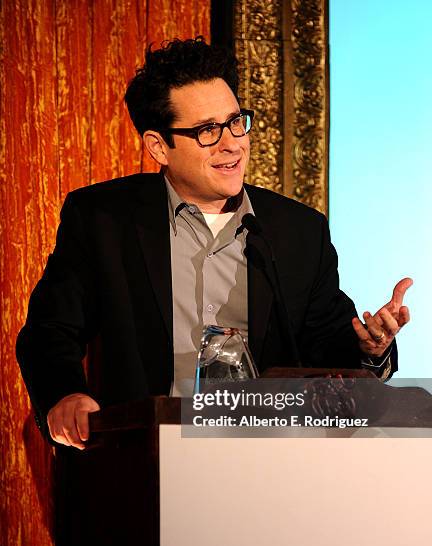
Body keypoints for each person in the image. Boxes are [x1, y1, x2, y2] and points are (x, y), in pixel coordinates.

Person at [16, 36, 412, 451]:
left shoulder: (298, 230)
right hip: (143, 463)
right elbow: (49, 331)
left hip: (271, 462)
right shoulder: (103, 219)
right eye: (208, 131)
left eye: (236, 121)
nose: (232, 143)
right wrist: (64, 396)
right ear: (158, 146)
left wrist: (370, 347)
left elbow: (328, 350)